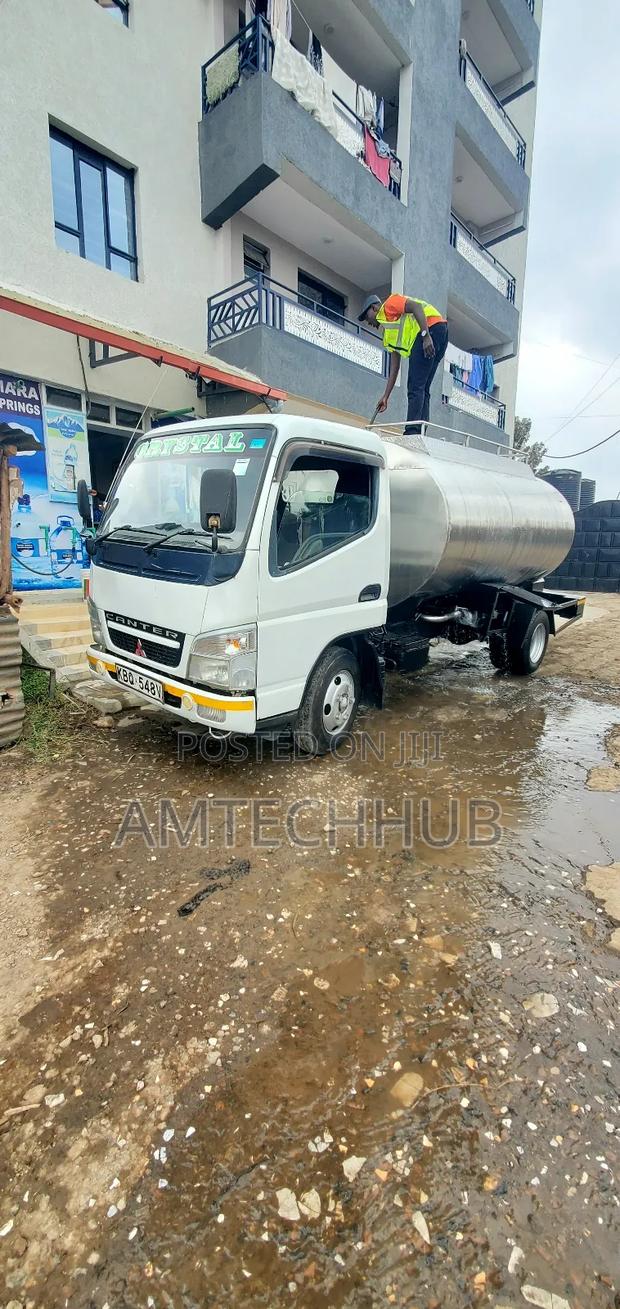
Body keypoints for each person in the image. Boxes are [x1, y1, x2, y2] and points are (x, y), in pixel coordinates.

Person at [359, 292, 449, 433]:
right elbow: (394, 368)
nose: (368, 322)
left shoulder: (390, 304)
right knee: (422, 387)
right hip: (440, 332)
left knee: (415, 386)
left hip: (430, 329)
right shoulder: (388, 335)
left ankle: (412, 431)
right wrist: (386, 396)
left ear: (374, 308)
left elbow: (417, 307)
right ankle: (420, 429)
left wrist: (425, 336)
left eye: (366, 317)